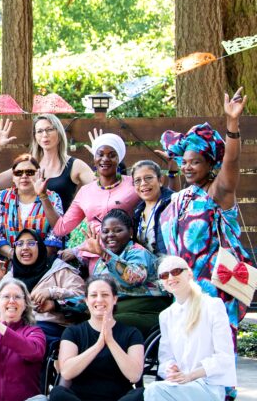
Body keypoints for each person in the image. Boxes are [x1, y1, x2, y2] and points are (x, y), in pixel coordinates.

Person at [159, 90, 253, 330]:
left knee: (215, 349)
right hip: (182, 290)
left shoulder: (217, 193)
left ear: (210, 163)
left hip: (214, 290)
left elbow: (231, 161)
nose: (188, 167)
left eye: (195, 162)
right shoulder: (183, 196)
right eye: (184, 162)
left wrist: (232, 123)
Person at [124, 256, 236, 401]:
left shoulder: (212, 306)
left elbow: (224, 358)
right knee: (150, 394)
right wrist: (172, 369)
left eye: (176, 271)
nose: (170, 277)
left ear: (189, 274)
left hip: (206, 389)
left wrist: (191, 375)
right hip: (179, 388)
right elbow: (166, 358)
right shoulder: (166, 316)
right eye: (164, 275)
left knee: (155, 391)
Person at [48, 275, 148, 401]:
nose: (99, 300)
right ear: (86, 300)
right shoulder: (73, 332)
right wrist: (99, 344)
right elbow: (67, 372)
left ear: (115, 299)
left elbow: (134, 375)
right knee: (57, 394)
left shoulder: (131, 333)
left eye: (105, 295)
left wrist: (111, 341)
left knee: (143, 395)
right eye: (94, 295)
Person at [0, 228, 85, 347]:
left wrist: (54, 300)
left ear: (41, 247)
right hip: (12, 328)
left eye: (31, 243)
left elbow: (83, 299)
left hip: (47, 329)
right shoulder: (11, 276)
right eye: (20, 244)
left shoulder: (59, 270)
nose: (25, 248)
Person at [70, 209, 168, 334]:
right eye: (105, 231)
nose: (110, 235)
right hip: (116, 308)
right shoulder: (102, 261)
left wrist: (104, 254)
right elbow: (93, 291)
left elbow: (134, 278)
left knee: (105, 324)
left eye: (118, 230)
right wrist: (63, 304)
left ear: (130, 232)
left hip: (146, 308)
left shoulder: (138, 252)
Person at [45, 132, 140, 258]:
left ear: (119, 159)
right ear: (94, 158)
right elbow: (61, 228)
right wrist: (43, 196)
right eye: (100, 154)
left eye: (112, 155)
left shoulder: (133, 184)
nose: (105, 159)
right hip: (94, 257)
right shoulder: (85, 191)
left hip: (127, 254)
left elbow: (156, 196)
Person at [0, 115, 96, 210]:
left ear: (59, 132)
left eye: (49, 129)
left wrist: (100, 157)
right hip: (29, 225)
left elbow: (100, 187)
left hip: (60, 225)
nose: (45, 134)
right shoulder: (28, 164)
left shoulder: (75, 165)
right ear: (35, 136)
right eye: (39, 131)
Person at [0, 154, 64, 258]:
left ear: (39, 174)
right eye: (18, 173)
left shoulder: (52, 198)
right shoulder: (1, 198)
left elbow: (57, 232)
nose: (24, 176)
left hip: (44, 262)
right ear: (13, 177)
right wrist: (15, 256)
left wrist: (36, 259)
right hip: (9, 262)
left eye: (30, 172)